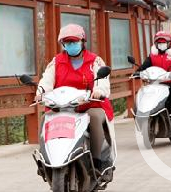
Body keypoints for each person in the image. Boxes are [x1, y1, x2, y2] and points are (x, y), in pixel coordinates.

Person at [36, 24, 114, 173]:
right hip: (61, 107)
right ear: (63, 44)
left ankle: (98, 163)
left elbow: (102, 81)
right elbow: (46, 80)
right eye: (68, 42)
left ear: (82, 42)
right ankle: (46, 159)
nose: (71, 45)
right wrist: (41, 92)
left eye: (74, 41)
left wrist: (98, 90)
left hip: (88, 106)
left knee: (95, 118)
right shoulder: (56, 62)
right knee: (45, 118)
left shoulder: (95, 61)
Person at [136, 31, 171, 117]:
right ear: (155, 44)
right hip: (156, 82)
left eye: (163, 43)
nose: (161, 45)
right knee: (146, 92)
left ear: (170, 43)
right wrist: (138, 72)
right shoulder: (152, 55)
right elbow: (144, 66)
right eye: (159, 43)